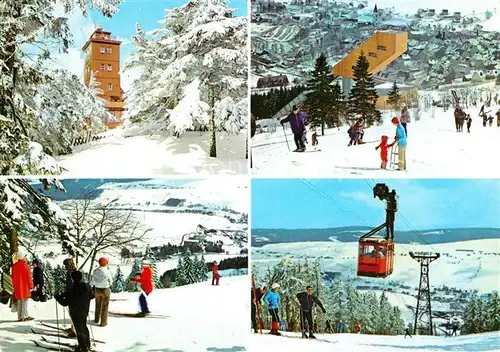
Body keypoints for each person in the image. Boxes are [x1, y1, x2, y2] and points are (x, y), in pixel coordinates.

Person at [55, 270, 94, 352]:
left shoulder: (72, 288)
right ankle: (87, 344)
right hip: (84, 310)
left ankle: (83, 347)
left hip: (75, 311)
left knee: (79, 329)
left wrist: (57, 297)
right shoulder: (86, 285)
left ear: (73, 278)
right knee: (83, 327)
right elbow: (92, 296)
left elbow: (65, 303)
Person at [11, 249, 34, 321]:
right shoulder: (25, 265)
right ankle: (25, 316)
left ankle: (20, 317)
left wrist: (14, 286)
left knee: (19, 301)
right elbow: (29, 277)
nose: (25, 258)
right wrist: (31, 286)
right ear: (22, 257)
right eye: (24, 256)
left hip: (17, 287)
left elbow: (12, 277)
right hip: (24, 286)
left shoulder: (14, 267)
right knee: (25, 301)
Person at [91, 257, 113, 327]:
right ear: (105, 263)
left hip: (97, 290)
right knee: (105, 306)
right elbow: (111, 281)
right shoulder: (107, 271)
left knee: (97, 304)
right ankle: (103, 322)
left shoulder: (95, 271)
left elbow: (93, 281)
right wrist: (109, 285)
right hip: (105, 290)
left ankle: (96, 319)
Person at [62, 258, 77, 337]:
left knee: (72, 313)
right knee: (72, 313)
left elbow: (71, 284)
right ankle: (72, 328)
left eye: (65, 265)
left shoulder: (70, 272)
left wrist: (67, 292)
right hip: (74, 294)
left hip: (72, 294)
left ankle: (74, 330)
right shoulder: (74, 271)